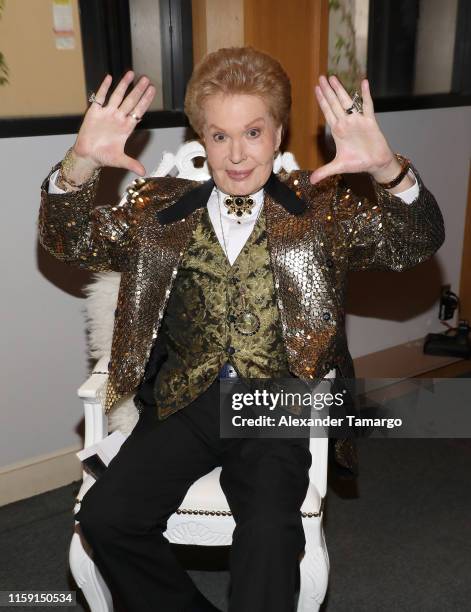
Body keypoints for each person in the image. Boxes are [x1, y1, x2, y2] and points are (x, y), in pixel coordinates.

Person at [38, 47, 444, 611]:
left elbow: (415, 241)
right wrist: (81, 161)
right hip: (182, 401)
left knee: (269, 535)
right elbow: (69, 241)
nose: (236, 155)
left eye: (253, 132)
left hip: (274, 400)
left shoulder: (318, 211)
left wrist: (386, 170)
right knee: (106, 520)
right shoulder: (158, 209)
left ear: (278, 134)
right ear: (201, 138)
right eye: (220, 135)